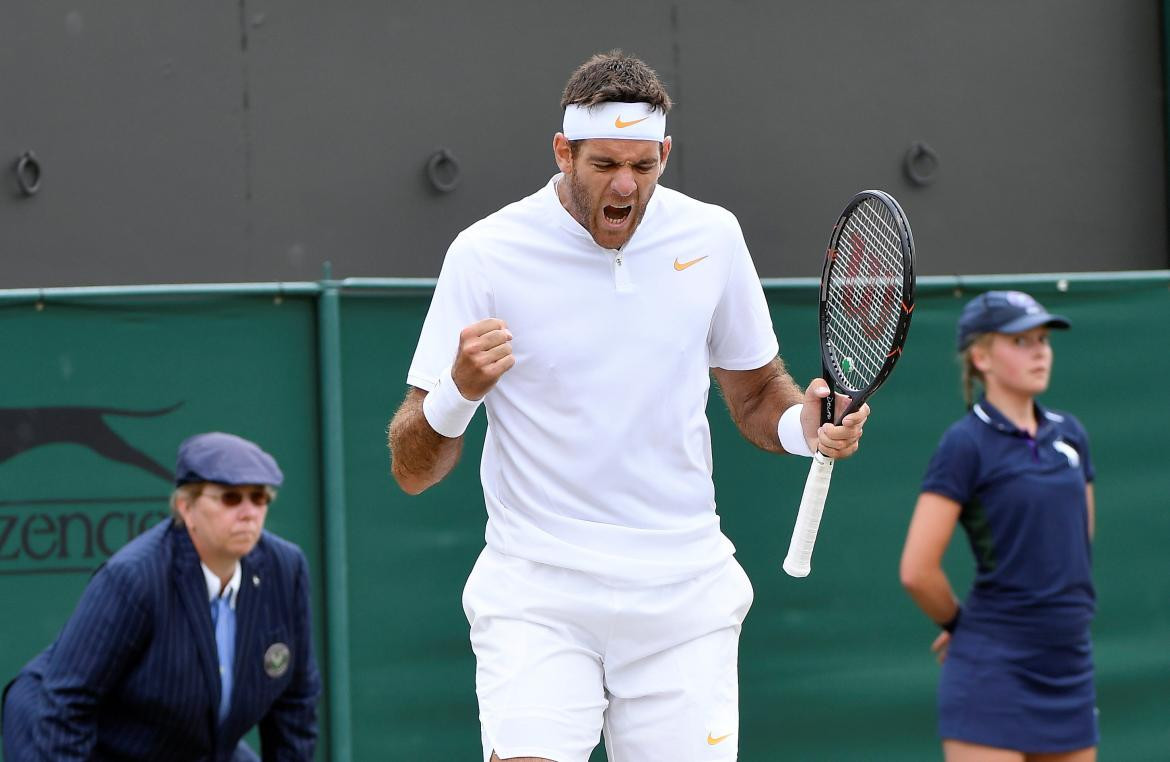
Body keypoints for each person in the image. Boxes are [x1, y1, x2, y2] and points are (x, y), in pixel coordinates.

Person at [387, 50, 869, 762]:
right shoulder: (485, 253)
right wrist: (458, 392)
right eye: (603, 164)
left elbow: (759, 395)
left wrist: (810, 427)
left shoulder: (711, 237)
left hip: (683, 596)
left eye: (643, 167)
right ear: (563, 153)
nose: (624, 185)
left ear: (666, 155)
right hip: (536, 593)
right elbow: (411, 467)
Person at [1, 432, 320, 762]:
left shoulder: (286, 569)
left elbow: (295, 704)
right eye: (230, 498)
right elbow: (68, 704)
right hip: (74, 736)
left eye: (259, 498)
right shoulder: (134, 577)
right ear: (187, 507)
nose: (248, 512)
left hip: (184, 744)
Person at [899, 291, 1097, 762]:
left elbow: (1075, 543)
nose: (1040, 351)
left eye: (1043, 339)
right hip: (992, 670)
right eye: (1021, 340)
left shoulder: (1071, 436)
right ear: (981, 356)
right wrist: (961, 626)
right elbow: (917, 570)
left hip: (1069, 661)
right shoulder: (964, 444)